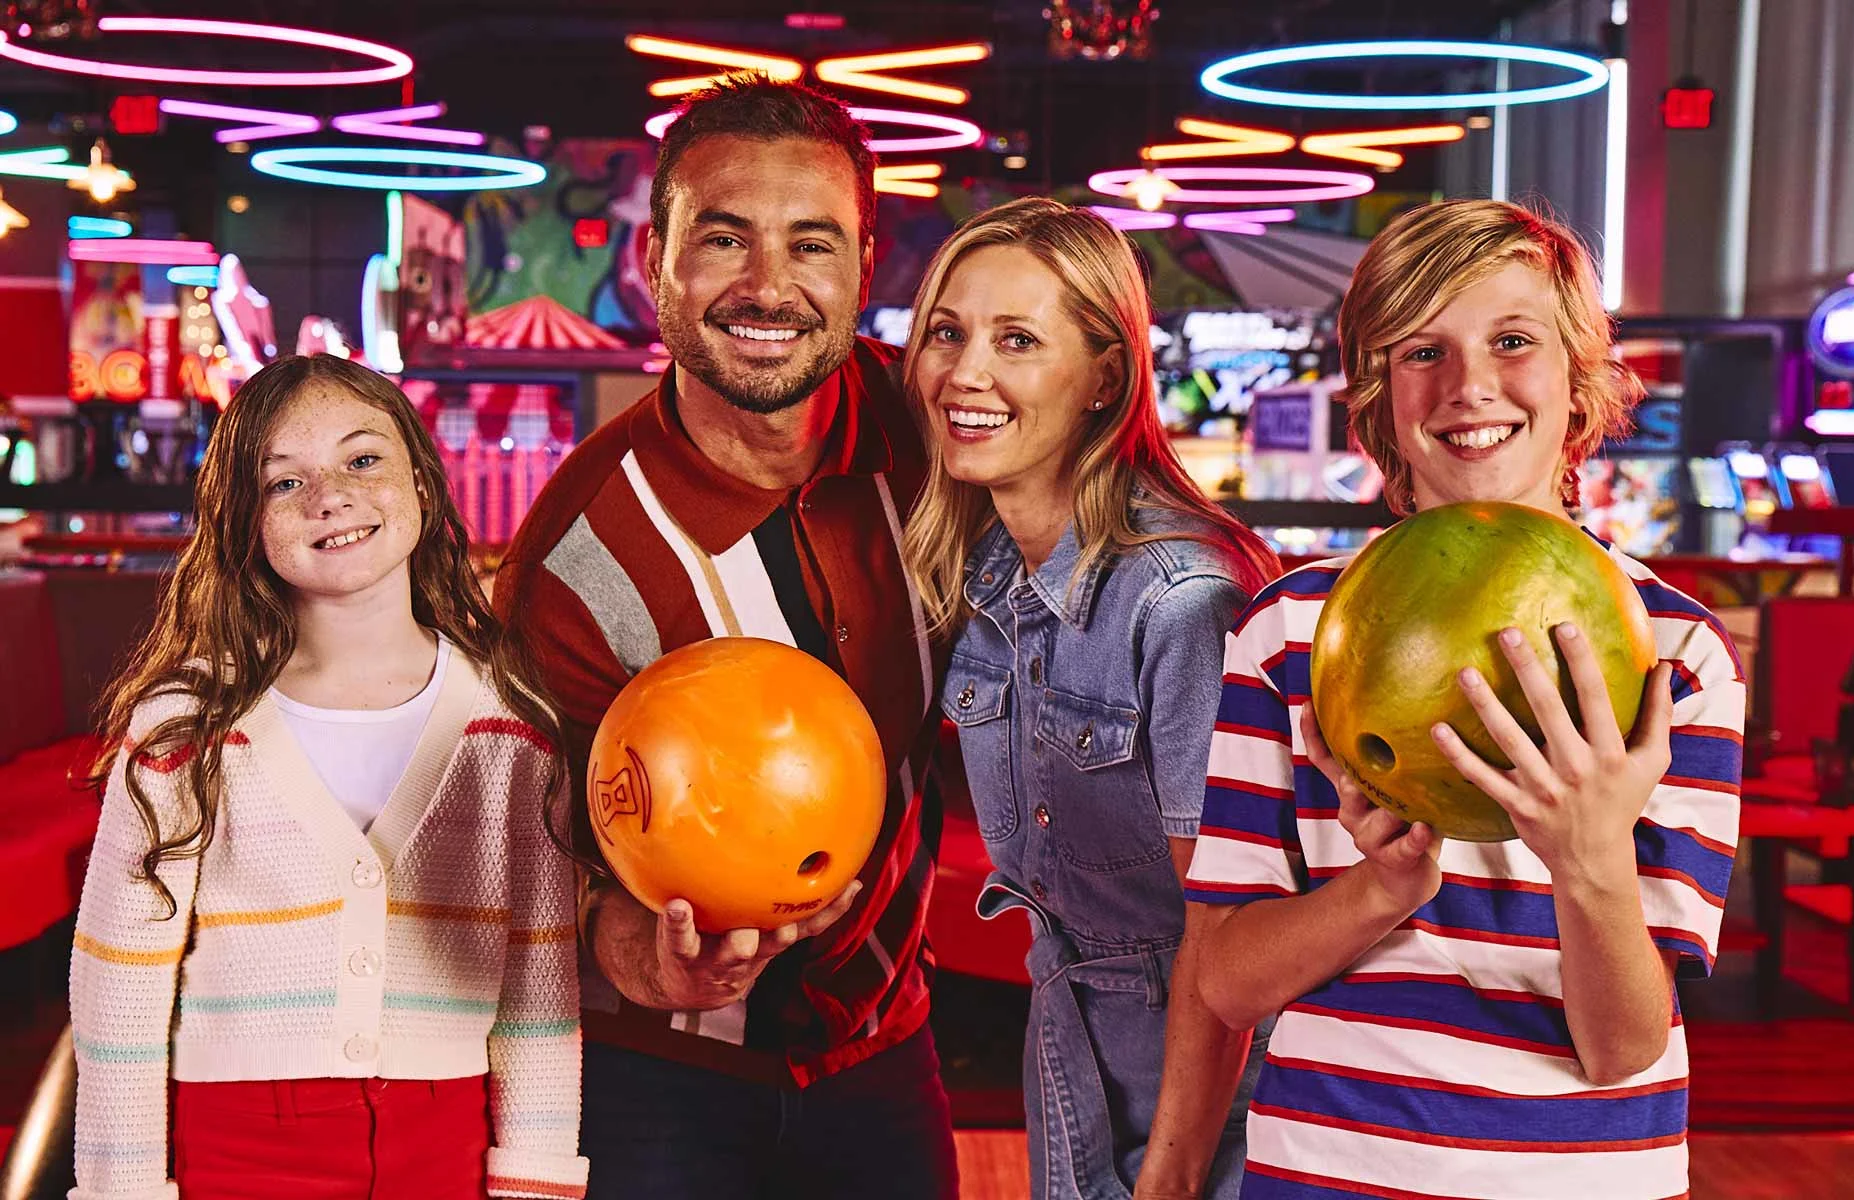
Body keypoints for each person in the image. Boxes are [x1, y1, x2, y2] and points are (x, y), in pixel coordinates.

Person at [1184, 199, 1746, 1199]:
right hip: (1324, 1176)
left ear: (1581, 387)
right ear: (1377, 398)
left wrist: (1591, 862)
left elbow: (1622, 1051)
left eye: (1514, 340)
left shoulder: (1680, 658)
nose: (1469, 386)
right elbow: (1225, 981)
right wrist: (1379, 890)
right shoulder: (1288, 634)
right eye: (1421, 352)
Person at [491, 75, 958, 1199]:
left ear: (862, 261)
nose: (768, 287)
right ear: (654, 257)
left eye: (811, 244)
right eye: (723, 239)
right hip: (659, 1081)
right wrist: (641, 958)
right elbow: (537, 868)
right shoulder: (571, 559)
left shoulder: (937, 435)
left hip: (890, 1043)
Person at [69, 354, 587, 1200]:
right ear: (246, 523)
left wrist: (535, 1184)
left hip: (447, 1142)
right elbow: (117, 989)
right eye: (283, 483)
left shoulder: (511, 727)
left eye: (362, 459)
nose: (329, 496)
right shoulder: (183, 723)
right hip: (231, 1145)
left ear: (422, 483)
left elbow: (538, 994)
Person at [900, 197, 1281, 1200]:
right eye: (948, 332)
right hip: (1073, 1052)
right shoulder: (983, 575)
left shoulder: (1184, 597)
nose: (964, 373)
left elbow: (1227, 934)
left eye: (1016, 340)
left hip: (1219, 1101)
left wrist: (1172, 1170)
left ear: (1105, 376)